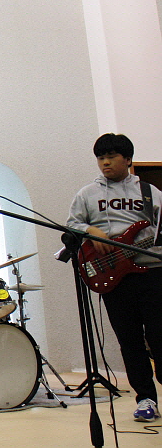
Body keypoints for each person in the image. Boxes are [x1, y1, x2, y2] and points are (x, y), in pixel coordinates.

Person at [67, 133, 162, 422]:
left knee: (159, 336)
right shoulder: (87, 194)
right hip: (113, 276)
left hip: (151, 272)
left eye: (111, 157)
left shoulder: (149, 192)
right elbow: (72, 224)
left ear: (128, 159)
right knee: (129, 341)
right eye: (100, 158)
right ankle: (145, 398)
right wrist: (92, 231)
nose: (105, 162)